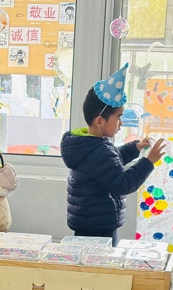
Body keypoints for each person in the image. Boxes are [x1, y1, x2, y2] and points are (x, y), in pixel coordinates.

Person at [61, 63, 166, 242]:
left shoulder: (88, 145)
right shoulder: (99, 151)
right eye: (119, 117)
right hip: (99, 228)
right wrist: (148, 162)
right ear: (100, 121)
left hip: (88, 222)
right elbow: (123, 184)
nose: (121, 123)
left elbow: (110, 163)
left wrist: (135, 147)